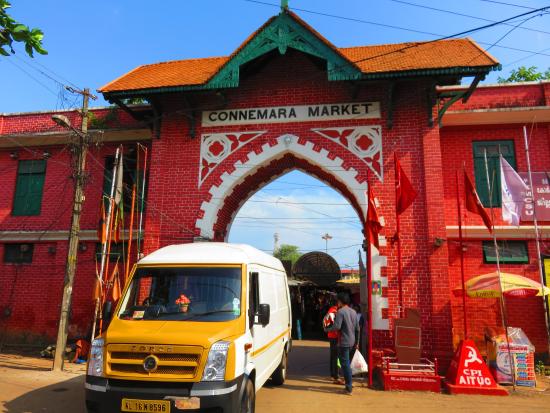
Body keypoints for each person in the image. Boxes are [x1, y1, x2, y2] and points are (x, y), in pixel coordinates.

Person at [324, 292, 359, 395]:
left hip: (343, 342)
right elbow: (357, 329)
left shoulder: (341, 312)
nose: (337, 302)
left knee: (345, 365)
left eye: (338, 300)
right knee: (347, 363)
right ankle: (349, 384)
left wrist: (327, 329)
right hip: (352, 342)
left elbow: (337, 326)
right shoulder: (353, 312)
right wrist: (357, 342)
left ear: (340, 301)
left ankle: (348, 387)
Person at [322, 299, 341, 384]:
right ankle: (336, 375)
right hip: (335, 336)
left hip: (330, 335)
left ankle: (332, 374)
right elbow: (336, 326)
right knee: (336, 356)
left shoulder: (329, 311)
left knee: (332, 355)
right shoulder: (335, 312)